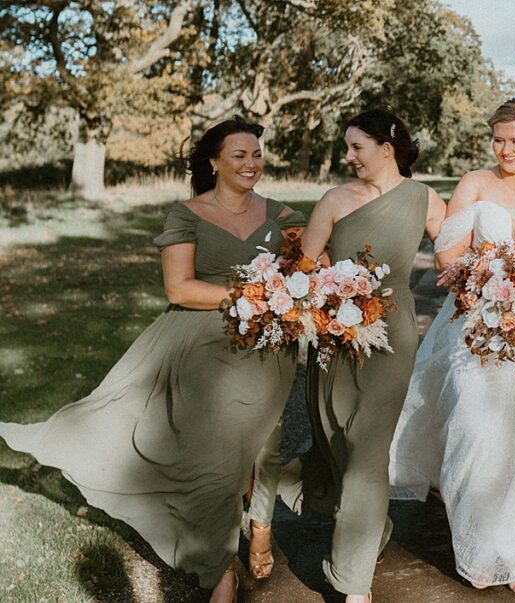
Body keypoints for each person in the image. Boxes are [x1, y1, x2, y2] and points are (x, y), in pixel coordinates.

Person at [0, 118, 305, 602]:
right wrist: (252, 294)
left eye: (257, 155)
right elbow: (179, 288)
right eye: (239, 156)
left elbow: (310, 262)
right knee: (219, 457)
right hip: (206, 341)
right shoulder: (186, 213)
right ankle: (220, 566)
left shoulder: (282, 215)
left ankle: (261, 524)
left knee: (265, 441)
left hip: (269, 346)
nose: (252, 164)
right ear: (214, 162)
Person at [388, 98, 515, 594]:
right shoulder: (475, 184)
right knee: (475, 431)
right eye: (499, 140)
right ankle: (477, 546)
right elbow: (447, 253)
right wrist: (489, 272)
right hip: (475, 324)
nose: (506, 150)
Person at [254, 109, 445, 603]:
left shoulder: (425, 199)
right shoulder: (336, 198)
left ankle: (352, 582)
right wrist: (332, 294)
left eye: (357, 147)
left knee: (367, 451)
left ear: (387, 147)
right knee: (337, 438)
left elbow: (452, 263)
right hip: (334, 334)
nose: (348, 156)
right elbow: (308, 266)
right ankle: (371, 526)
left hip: (392, 334)